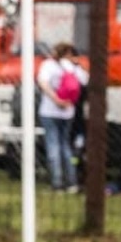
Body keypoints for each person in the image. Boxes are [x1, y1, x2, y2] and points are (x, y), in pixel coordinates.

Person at [37, 42, 86, 192]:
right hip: (68, 111)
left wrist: (55, 99)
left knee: (53, 145)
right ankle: (71, 182)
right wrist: (77, 65)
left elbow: (42, 82)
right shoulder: (73, 68)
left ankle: (57, 183)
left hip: (49, 111)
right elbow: (85, 80)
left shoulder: (49, 65)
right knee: (65, 146)